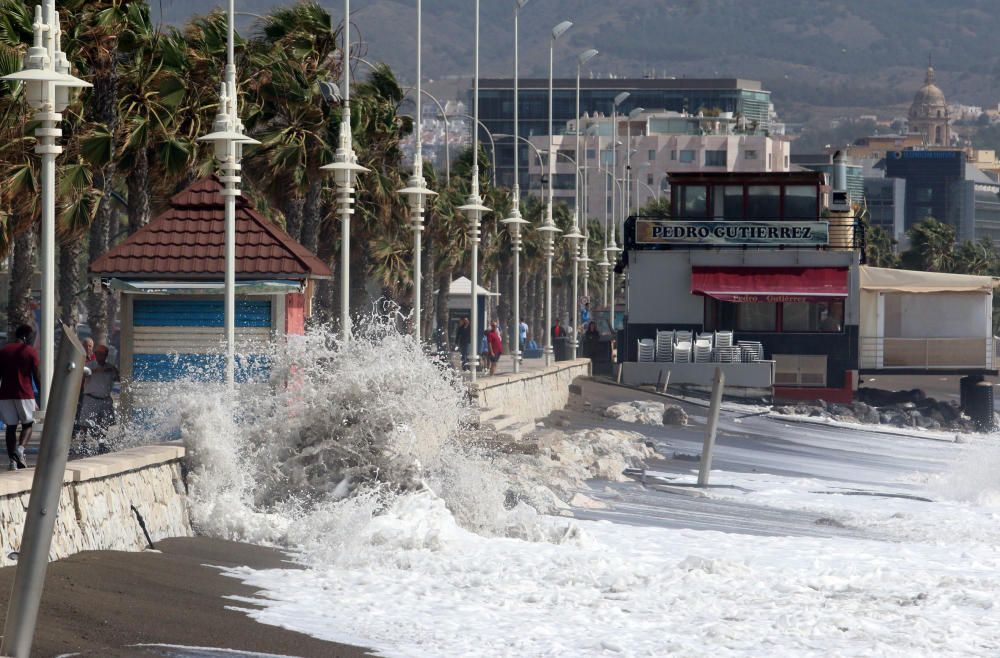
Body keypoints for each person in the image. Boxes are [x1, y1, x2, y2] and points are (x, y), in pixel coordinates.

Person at [0, 325, 40, 470]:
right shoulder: (30, 352)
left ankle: (12, 462)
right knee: (27, 424)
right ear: (26, 336)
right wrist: (42, 394)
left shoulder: (3, 351)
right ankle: (20, 450)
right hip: (24, 393)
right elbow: (36, 375)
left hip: (5, 395)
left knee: (10, 428)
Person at [80, 345, 118, 451]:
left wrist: (113, 370)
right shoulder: (89, 366)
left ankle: (101, 443)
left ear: (106, 355)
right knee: (85, 422)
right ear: (95, 355)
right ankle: (83, 442)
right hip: (91, 398)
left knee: (105, 422)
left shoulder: (110, 367)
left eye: (103, 354)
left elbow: (118, 378)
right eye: (99, 354)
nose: (101, 356)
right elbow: (82, 375)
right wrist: (97, 371)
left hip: (105, 398)